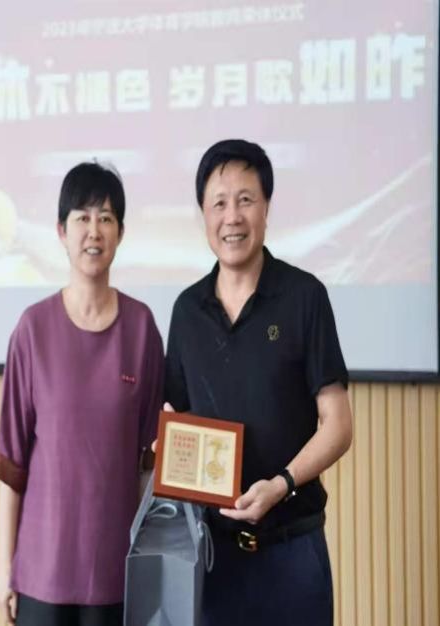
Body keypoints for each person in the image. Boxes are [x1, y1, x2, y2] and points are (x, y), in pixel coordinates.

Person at [164, 139, 353, 626]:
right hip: (212, 558)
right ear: (203, 215)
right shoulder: (186, 312)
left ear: (266, 207)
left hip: (293, 550)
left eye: (245, 200)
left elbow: (338, 425)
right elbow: (174, 418)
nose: (233, 217)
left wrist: (281, 485)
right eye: (219, 203)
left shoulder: (305, 297)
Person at [0, 162, 164, 626]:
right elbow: (11, 465)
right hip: (40, 574)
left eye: (106, 218)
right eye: (82, 217)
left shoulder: (142, 328)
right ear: (61, 231)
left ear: (120, 232)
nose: (94, 231)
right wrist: (5, 570)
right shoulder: (32, 329)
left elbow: (147, 465)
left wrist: (146, 561)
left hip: (114, 573)